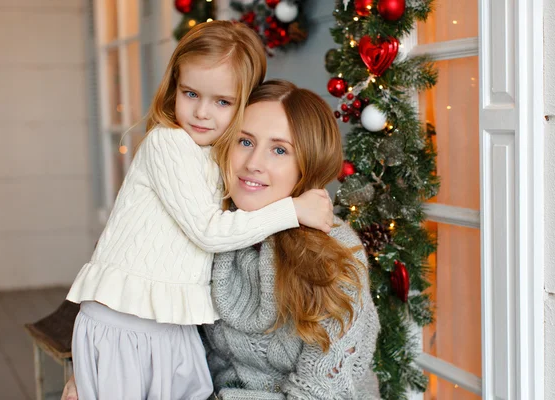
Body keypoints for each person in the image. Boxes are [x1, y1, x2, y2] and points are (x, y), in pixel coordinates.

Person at [61, 80, 381, 400]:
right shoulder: (205, 224)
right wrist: (94, 370)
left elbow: (324, 393)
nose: (253, 163)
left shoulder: (334, 251)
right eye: (244, 141)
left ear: (307, 164)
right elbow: (136, 301)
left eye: (279, 150)